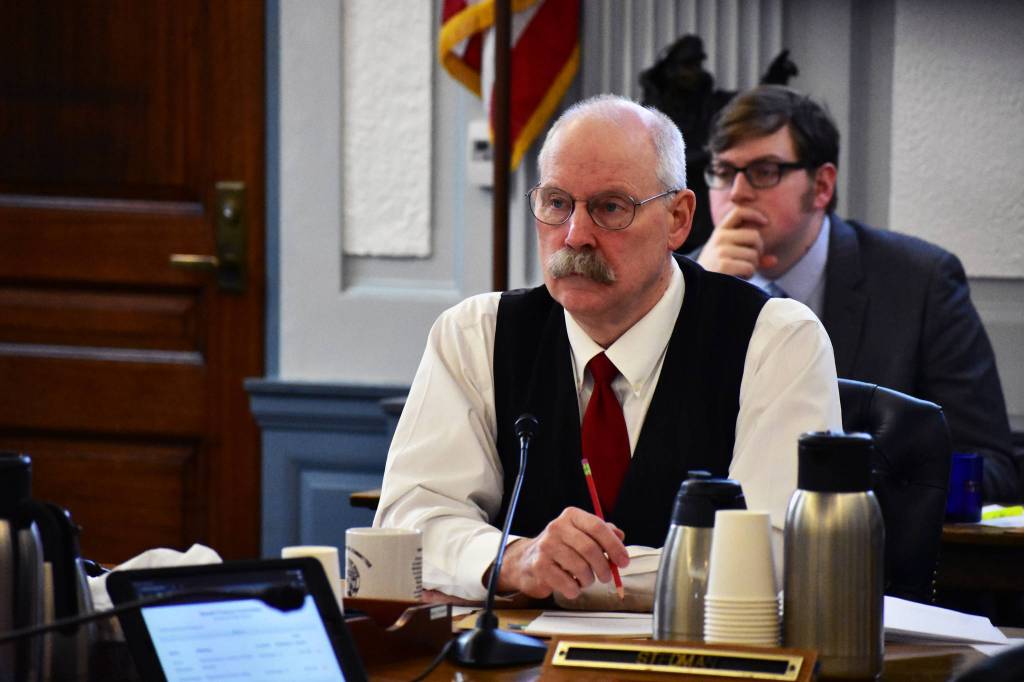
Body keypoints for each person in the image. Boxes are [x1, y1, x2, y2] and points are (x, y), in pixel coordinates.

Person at [374, 94, 840, 602]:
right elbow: (409, 524)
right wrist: (513, 559)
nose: (575, 236)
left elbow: (773, 556)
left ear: (679, 219)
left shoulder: (776, 339)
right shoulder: (476, 334)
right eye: (556, 203)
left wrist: (571, 578)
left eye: (610, 208)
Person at [697, 85, 1018, 502]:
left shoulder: (921, 283)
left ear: (823, 186)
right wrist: (705, 302)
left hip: (864, 553)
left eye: (764, 171)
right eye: (723, 172)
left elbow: (990, 470)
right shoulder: (681, 282)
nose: (736, 192)